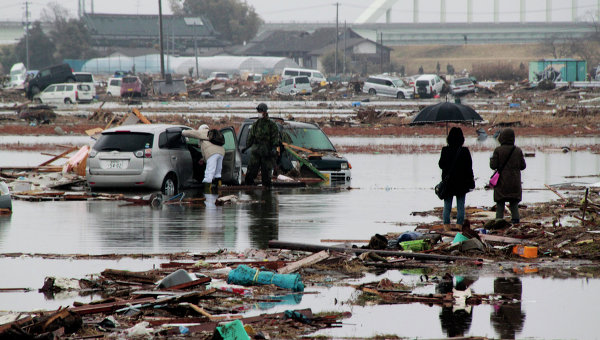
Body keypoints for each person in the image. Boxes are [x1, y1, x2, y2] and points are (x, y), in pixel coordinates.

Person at [438, 127, 475, 227]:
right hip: (461, 183)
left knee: (447, 206)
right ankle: (459, 226)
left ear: (449, 138)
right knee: (460, 206)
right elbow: (469, 167)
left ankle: (446, 227)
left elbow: (441, 165)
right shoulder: (465, 151)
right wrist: (471, 181)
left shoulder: (445, 150)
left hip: (448, 183)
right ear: (461, 139)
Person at [490, 128, 526, 223]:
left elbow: (493, 166)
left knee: (500, 204)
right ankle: (516, 223)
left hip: (501, 182)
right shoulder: (518, 150)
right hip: (515, 182)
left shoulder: (498, 150)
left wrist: (492, 158)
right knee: (514, 204)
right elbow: (523, 166)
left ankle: (499, 223)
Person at [244, 103, 280, 187]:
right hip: (256, 151)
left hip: (267, 152)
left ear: (265, 112)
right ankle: (249, 191)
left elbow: (275, 138)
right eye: (258, 111)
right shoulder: (256, 124)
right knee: (251, 171)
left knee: (266, 174)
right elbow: (251, 137)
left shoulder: (272, 125)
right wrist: (247, 147)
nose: (259, 113)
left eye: (260, 111)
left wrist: (274, 148)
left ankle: (267, 194)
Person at [182, 124, 224, 193]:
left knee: (209, 173)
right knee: (217, 173)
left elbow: (192, 133)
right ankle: (219, 191)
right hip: (221, 152)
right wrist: (203, 159)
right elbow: (206, 151)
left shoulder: (203, 132)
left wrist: (183, 132)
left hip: (212, 153)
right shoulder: (212, 134)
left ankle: (207, 192)